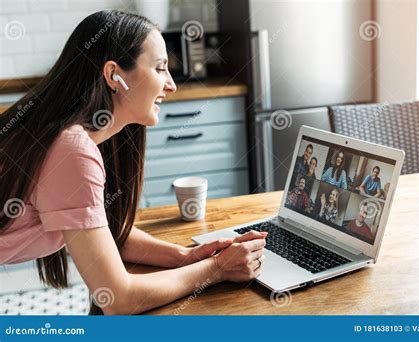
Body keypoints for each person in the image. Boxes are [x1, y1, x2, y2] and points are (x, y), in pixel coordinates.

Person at [0, 10, 267, 315]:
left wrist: (185, 257)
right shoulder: (71, 151)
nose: (171, 84)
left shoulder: (80, 136)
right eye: (160, 68)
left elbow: (108, 232)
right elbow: (117, 299)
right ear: (114, 76)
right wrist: (216, 269)